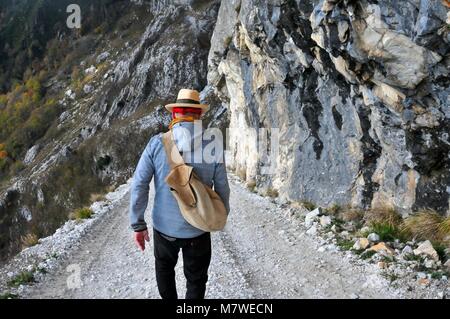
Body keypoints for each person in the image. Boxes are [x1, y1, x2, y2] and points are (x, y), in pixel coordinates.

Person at [129, 88, 230, 299]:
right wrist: (220, 215)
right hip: (199, 228)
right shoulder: (213, 145)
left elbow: (139, 184)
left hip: (165, 229)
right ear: (199, 115)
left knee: (165, 270)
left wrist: (138, 224)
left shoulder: (157, 143)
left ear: (174, 114)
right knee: (196, 279)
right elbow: (222, 187)